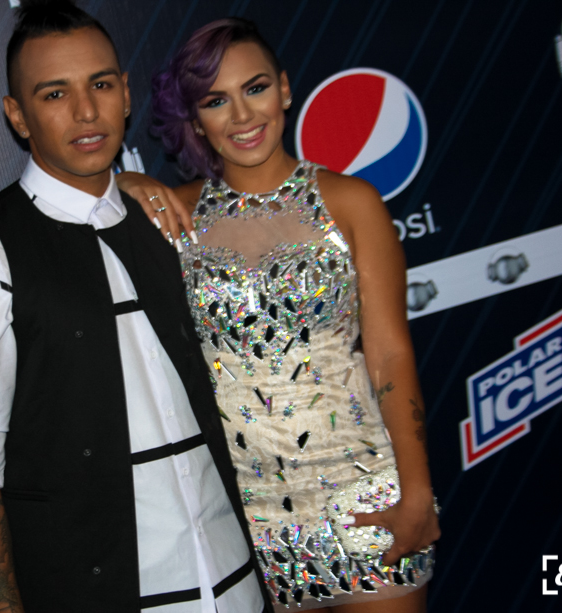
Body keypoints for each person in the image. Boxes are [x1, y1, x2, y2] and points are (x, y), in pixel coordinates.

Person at [0, 4, 267, 612]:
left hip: (237, 584)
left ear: (126, 95)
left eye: (101, 85)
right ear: (17, 115)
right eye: (55, 94)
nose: (86, 112)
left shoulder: (162, 220)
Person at [116, 18, 440, 612]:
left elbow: (390, 355)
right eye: (216, 100)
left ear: (285, 89)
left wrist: (417, 490)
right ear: (195, 119)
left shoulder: (352, 203)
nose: (242, 116)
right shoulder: (173, 214)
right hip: (253, 516)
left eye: (256, 88)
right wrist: (128, 183)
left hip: (366, 493)